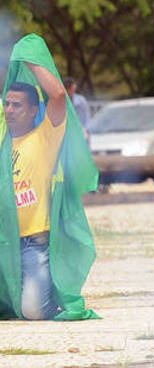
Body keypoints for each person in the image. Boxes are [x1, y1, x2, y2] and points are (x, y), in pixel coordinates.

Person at [1, 34, 98, 320]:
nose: (8, 110)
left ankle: (48, 293)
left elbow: (57, 96)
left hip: (33, 242)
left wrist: (29, 59)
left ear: (33, 110)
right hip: (4, 240)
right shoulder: (3, 137)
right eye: (6, 104)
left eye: (16, 105)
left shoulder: (45, 136)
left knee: (33, 312)